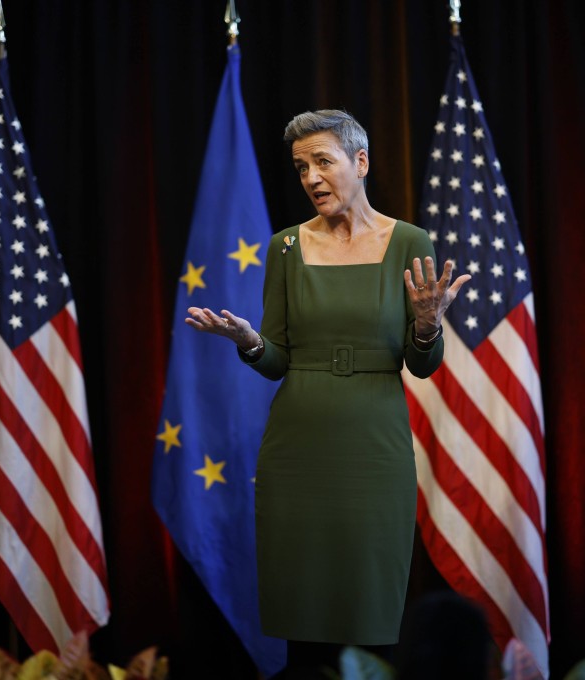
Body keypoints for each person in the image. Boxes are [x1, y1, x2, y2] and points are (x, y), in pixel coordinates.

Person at [185, 109, 469, 673]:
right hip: (297, 450)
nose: (311, 177)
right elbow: (277, 361)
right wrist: (248, 341)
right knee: (304, 614)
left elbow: (423, 366)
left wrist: (428, 324)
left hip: (374, 447)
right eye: (300, 167)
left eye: (323, 161)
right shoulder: (285, 248)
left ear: (360, 163)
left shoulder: (410, 240)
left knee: (370, 608)